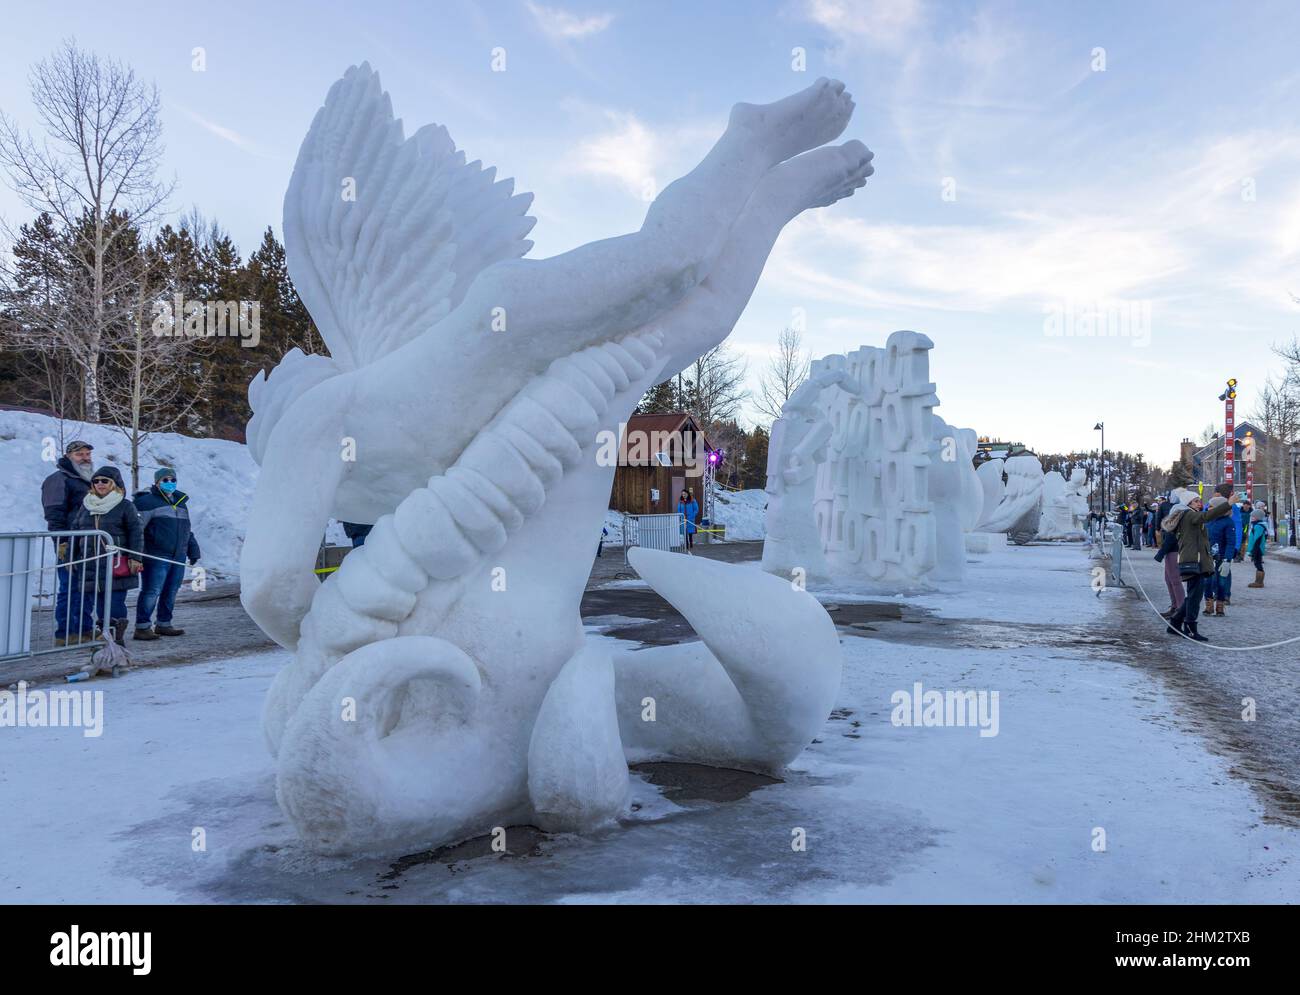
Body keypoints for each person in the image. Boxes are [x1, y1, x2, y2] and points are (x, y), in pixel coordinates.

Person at [68, 465, 143, 646]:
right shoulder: (86, 505)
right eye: (96, 481)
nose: (100, 484)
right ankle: (106, 638)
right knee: (100, 604)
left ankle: (116, 638)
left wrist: (136, 557)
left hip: (116, 563)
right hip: (91, 564)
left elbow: (136, 532)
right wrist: (71, 557)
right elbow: (75, 531)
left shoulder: (125, 505)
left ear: (114, 483)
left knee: (115, 602)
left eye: (105, 481)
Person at [132, 467, 202, 640]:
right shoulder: (146, 502)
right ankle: (142, 626)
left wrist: (193, 548)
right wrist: (137, 554)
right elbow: (137, 529)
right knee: (152, 590)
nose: (169, 483)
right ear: (157, 482)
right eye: (165, 480)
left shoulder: (181, 503)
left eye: (172, 480)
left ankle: (164, 623)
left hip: (178, 554)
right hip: (156, 554)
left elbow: (187, 530)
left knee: (171, 590)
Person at [41, 439, 98, 645]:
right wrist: (61, 542)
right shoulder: (59, 479)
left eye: (87, 454)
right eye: (80, 454)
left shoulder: (90, 479)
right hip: (71, 542)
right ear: (68, 456)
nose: (85, 458)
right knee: (70, 587)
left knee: (87, 587)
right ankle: (65, 632)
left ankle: (84, 628)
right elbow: (54, 514)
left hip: (90, 544)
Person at [1163, 487, 1238, 642]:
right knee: (1195, 596)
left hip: (1196, 560)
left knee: (1193, 595)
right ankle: (1190, 628)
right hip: (1193, 560)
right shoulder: (1189, 515)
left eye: (1199, 501)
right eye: (1196, 501)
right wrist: (1228, 504)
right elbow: (1207, 516)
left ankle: (1175, 623)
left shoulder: (1189, 515)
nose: (1199, 504)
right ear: (1188, 503)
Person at [1203, 483, 1239, 616]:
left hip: (1221, 557)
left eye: (1211, 506)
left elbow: (1231, 542)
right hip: (1207, 557)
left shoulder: (1228, 522)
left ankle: (1220, 605)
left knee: (1221, 582)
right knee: (1207, 582)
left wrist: (1227, 560)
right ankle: (1208, 605)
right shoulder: (1207, 521)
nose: (1208, 508)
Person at [1153, 506, 1185, 622]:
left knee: (1175, 581)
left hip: (1174, 552)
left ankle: (1180, 609)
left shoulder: (1177, 522)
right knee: (1169, 580)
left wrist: (1160, 554)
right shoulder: (1172, 522)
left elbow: (1171, 539)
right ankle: (1175, 606)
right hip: (1170, 552)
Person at [1246, 507, 1267, 587]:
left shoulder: (1258, 526)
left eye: (1253, 516)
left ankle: (1259, 582)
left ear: (1257, 517)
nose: (1251, 518)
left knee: (1258, 563)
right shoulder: (1257, 525)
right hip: (1256, 548)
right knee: (1257, 563)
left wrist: (1254, 550)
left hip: (1257, 548)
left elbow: (1257, 539)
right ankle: (1258, 581)